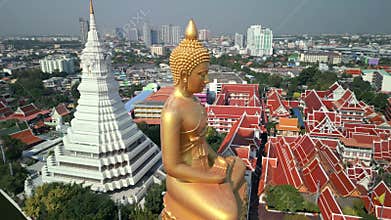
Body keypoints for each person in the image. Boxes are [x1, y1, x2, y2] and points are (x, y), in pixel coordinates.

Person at [161, 19, 246, 220]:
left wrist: (216, 159)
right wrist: (211, 178)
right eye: (202, 74)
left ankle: (222, 189)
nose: (206, 80)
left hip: (204, 167)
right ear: (184, 74)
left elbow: (200, 143)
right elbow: (172, 167)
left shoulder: (195, 102)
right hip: (183, 179)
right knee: (227, 216)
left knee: (239, 165)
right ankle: (223, 191)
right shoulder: (172, 111)